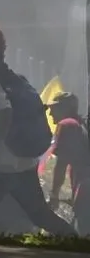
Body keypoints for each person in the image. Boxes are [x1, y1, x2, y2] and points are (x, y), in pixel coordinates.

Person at [0, 24, 75, 236]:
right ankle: (74, 239)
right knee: (40, 214)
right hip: (23, 162)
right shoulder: (16, 80)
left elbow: (4, 113)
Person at [47, 92, 90, 233]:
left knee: (82, 232)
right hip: (83, 185)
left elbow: (61, 164)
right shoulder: (80, 123)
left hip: (85, 187)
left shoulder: (67, 125)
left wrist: (54, 194)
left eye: (54, 109)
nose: (50, 113)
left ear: (65, 108)